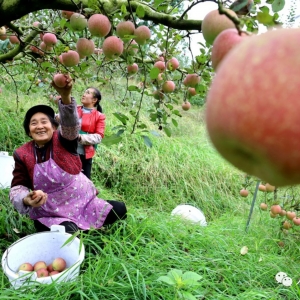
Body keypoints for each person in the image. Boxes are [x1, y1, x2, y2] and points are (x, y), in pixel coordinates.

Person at [9, 74, 127, 234]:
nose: (40, 126)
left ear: (54, 127)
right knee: (67, 231)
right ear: (29, 131)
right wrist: (25, 198)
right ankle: (75, 229)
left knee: (119, 209)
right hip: (52, 211)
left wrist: (65, 96)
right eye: (34, 123)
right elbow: (18, 186)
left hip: (83, 202)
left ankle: (83, 225)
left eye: (44, 122)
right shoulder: (22, 153)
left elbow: (70, 125)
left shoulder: (63, 139)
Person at [77, 87, 105, 179]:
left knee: (84, 182)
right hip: (68, 151)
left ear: (94, 99)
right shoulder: (74, 109)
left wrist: (80, 137)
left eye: (88, 92)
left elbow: (98, 137)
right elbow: (61, 118)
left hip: (84, 155)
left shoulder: (99, 116)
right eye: (84, 91)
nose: (84, 94)